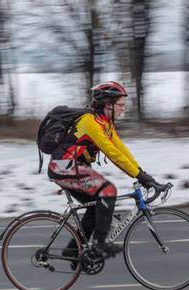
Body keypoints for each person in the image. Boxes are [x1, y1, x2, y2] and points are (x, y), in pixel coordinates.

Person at [47, 81, 156, 260]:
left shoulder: (106, 124)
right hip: (62, 166)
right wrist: (139, 176)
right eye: (120, 105)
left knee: (96, 207)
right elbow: (112, 154)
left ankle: (74, 251)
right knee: (108, 191)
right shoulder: (90, 122)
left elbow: (121, 150)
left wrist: (141, 172)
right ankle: (100, 244)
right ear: (108, 104)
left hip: (73, 167)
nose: (123, 109)